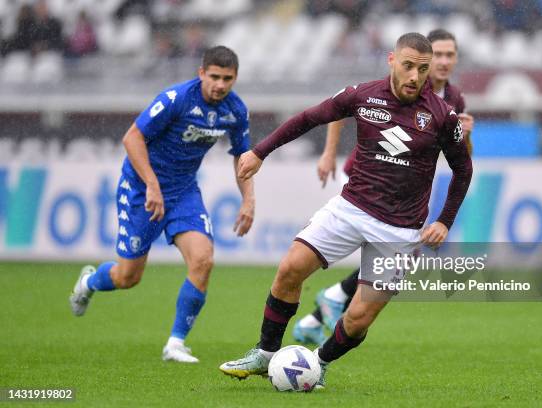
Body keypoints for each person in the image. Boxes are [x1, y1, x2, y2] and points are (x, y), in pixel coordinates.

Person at [219, 33, 472, 387]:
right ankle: (265, 353)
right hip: (351, 209)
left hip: (400, 231)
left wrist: (445, 221)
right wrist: (260, 152)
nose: (415, 76)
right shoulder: (364, 95)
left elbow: (464, 169)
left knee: (358, 319)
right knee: (291, 268)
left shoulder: (442, 115)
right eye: (408, 66)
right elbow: (309, 118)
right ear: (391, 60)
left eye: (423, 69)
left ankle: (318, 363)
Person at [69, 46, 254, 363]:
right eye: (214, 77)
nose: (220, 84)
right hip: (142, 189)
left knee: (203, 260)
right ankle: (88, 282)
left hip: (183, 192)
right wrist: (152, 185)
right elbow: (132, 138)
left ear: (235, 78)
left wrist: (248, 199)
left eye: (227, 78)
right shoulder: (176, 99)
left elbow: (242, 156)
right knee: (128, 277)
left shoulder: (235, 111)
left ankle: (175, 344)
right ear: (201, 73)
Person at [293, 28, 474, 345]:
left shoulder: (453, 99)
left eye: (450, 55)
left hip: (404, 187)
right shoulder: (404, 79)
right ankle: (333, 299)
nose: (443, 62)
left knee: (390, 254)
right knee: (389, 247)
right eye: (439, 55)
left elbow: (460, 158)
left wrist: (466, 134)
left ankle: (322, 310)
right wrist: (328, 152)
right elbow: (341, 108)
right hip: (366, 178)